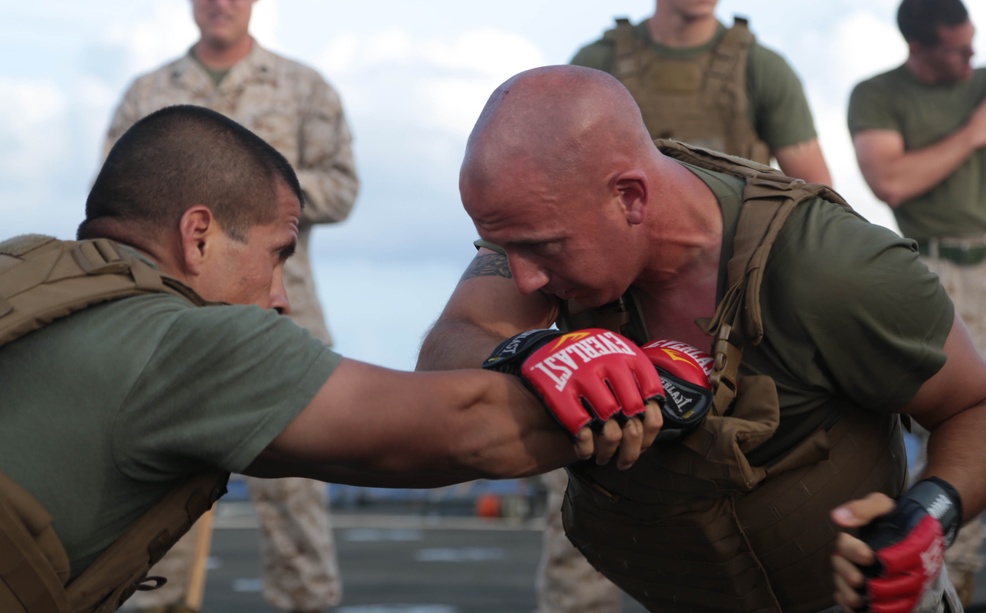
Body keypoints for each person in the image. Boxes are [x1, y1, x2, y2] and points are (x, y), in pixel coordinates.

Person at [0, 104, 666, 613]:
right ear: (198, 236)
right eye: (275, 256)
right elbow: (469, 430)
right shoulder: (191, 343)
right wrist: (659, 383)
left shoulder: (25, 273)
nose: (279, 297)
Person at [416, 64, 986, 612]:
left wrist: (929, 514)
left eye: (541, 248)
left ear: (631, 198)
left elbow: (982, 405)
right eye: (506, 248)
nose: (524, 281)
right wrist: (531, 352)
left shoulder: (833, 269)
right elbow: (449, 355)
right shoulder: (544, 210)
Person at [534, 2, 833, 609]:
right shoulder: (598, 66)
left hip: (727, 330)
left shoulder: (759, 70)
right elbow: (544, 190)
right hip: (605, 323)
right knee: (585, 514)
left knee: (731, 519)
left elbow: (818, 204)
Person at [101, 0, 358, 610]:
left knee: (296, 502)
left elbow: (342, 187)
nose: (221, 4)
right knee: (155, 506)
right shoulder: (148, 94)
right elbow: (113, 198)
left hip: (278, 317)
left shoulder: (303, 87)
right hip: (170, 325)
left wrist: (247, 189)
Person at [847, 0, 986, 604]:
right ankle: (930, 582)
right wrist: (976, 133)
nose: (971, 56)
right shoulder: (878, 94)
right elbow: (891, 181)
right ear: (921, 47)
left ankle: (955, 575)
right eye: (958, 49)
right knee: (956, 427)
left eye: (973, 44)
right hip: (933, 271)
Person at [570, 0, 832, 185]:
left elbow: (816, 195)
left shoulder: (761, 67)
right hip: (627, 250)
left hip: (734, 254)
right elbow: (561, 175)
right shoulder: (596, 63)